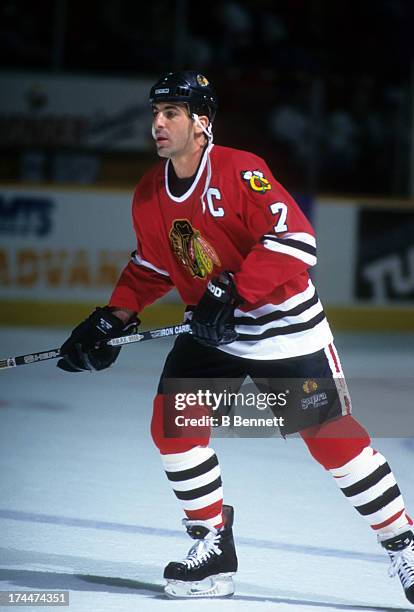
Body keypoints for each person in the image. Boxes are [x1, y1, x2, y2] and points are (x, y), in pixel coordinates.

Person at [57, 70, 414, 603]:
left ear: (201, 122)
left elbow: (297, 241)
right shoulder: (149, 193)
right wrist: (115, 316)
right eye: (155, 113)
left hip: (282, 329)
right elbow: (154, 264)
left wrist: (235, 291)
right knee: (172, 426)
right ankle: (212, 542)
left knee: (331, 440)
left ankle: (403, 545)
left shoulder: (240, 171)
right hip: (212, 332)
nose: (157, 123)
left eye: (171, 113)